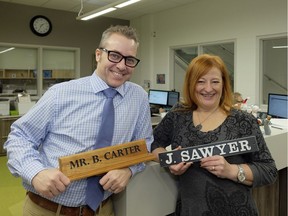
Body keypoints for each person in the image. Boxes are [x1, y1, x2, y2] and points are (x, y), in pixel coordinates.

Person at [4, 25, 153, 216]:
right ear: (98, 55)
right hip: (48, 209)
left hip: (103, 209)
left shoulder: (138, 97)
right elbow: (20, 137)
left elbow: (144, 144)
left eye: (130, 59)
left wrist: (129, 170)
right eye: (114, 55)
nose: (122, 66)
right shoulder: (61, 93)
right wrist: (36, 173)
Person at [151, 54, 277, 216]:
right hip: (190, 210)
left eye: (215, 81)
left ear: (224, 84)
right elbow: (153, 144)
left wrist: (231, 170)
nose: (208, 88)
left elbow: (268, 170)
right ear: (191, 83)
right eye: (201, 81)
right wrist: (169, 160)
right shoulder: (177, 115)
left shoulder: (242, 120)